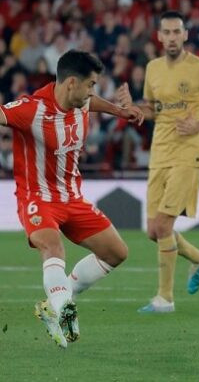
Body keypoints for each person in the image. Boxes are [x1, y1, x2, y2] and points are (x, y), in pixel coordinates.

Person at [0, 49, 143, 348]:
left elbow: (91, 104)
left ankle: (57, 302)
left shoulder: (81, 100)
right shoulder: (32, 109)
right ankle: (64, 310)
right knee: (53, 247)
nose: (93, 91)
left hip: (73, 198)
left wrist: (118, 110)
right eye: (91, 84)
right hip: (37, 197)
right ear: (72, 83)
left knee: (117, 253)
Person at [135, 11, 199, 313]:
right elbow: (155, 109)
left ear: (185, 34)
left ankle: (165, 298)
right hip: (159, 152)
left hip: (188, 152)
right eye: (167, 32)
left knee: (164, 224)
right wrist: (134, 110)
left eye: (178, 31)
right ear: (160, 36)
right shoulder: (152, 69)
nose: (173, 37)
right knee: (153, 231)